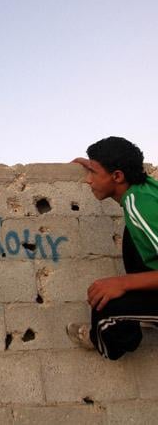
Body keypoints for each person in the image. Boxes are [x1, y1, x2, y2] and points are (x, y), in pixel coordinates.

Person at [68, 136, 158, 360]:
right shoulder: (142, 188)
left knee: (105, 308)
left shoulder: (140, 207)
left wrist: (122, 283)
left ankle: (106, 343)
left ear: (117, 176)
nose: (88, 180)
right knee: (132, 237)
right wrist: (93, 164)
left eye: (94, 173)